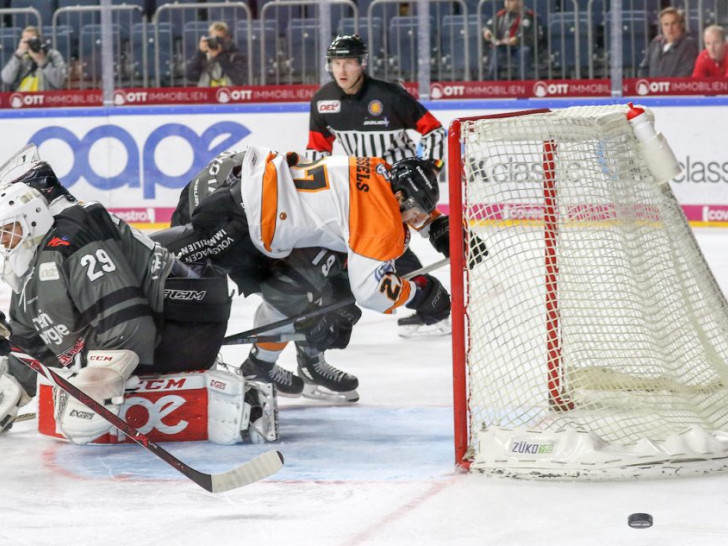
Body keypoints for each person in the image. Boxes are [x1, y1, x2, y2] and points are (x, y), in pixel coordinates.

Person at [0, 157, 276, 445]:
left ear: (32, 215)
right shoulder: (33, 265)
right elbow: (33, 336)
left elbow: (124, 315)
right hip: (173, 319)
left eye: (7, 231)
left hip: (182, 327)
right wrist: (12, 380)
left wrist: (102, 378)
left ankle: (238, 400)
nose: (4, 243)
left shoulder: (71, 238)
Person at [157, 148, 452, 402]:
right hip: (232, 212)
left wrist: (435, 226)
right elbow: (371, 293)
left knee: (326, 292)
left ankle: (300, 363)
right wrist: (421, 294)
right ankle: (259, 364)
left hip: (240, 176)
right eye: (418, 212)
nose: (417, 219)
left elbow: (401, 204)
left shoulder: (377, 168)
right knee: (296, 295)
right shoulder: (380, 220)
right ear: (400, 196)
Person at [306, 34, 454, 338]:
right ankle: (432, 306)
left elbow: (435, 133)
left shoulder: (389, 96)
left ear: (362, 64)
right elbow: (317, 151)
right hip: (361, 191)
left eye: (348, 62)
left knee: (415, 239)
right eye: (336, 63)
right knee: (376, 247)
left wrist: (426, 173)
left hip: (401, 189)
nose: (342, 70)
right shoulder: (323, 101)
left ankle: (435, 308)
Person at [482, 0, 544, 79]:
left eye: (511, 1)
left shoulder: (531, 16)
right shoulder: (500, 15)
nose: (507, 3)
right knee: (496, 53)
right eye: (506, 0)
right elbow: (487, 27)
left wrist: (517, 40)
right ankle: (492, 83)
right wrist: (486, 32)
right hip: (503, 47)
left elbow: (536, 36)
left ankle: (523, 83)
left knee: (524, 52)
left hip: (521, 47)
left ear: (520, 2)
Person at [0, 26, 66, 91]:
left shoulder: (53, 55)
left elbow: (60, 82)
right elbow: (7, 79)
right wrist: (17, 55)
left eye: (33, 41)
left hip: (47, 98)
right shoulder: (19, 57)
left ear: (40, 41)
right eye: (27, 42)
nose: (30, 44)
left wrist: (43, 62)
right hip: (23, 99)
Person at [639, 7, 698, 78]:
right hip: (653, 88)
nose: (670, 28)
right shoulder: (656, 43)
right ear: (662, 26)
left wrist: (665, 86)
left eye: (673, 23)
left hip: (674, 88)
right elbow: (643, 69)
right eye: (666, 24)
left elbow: (685, 73)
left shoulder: (688, 44)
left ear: (681, 24)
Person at [185, 21, 247, 87]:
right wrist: (200, 53)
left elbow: (239, 79)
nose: (217, 42)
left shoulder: (237, 55)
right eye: (214, 39)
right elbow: (190, 76)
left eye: (220, 39)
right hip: (207, 94)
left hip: (229, 94)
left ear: (228, 38)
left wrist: (220, 56)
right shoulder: (204, 55)